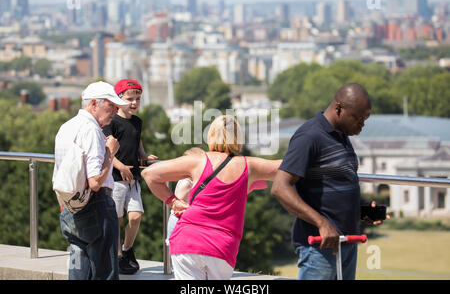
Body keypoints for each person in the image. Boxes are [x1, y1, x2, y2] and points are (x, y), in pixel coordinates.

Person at [271, 83, 388, 280]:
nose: (362, 124)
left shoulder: (343, 136)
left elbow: (333, 184)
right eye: (358, 118)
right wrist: (322, 223)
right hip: (319, 245)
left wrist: (363, 209)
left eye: (365, 119)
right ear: (338, 108)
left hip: (347, 242)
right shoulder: (309, 136)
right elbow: (280, 187)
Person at [141, 115, 281, 280]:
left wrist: (173, 202)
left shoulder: (197, 160)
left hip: (187, 241)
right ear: (238, 138)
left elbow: (149, 174)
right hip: (221, 247)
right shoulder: (249, 165)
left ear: (211, 135)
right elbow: (286, 168)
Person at [53, 81, 129, 280]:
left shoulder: (66, 127)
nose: (114, 111)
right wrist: (110, 154)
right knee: (104, 273)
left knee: (79, 272)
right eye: (110, 105)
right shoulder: (92, 130)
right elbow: (95, 181)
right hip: (96, 206)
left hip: (70, 207)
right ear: (94, 104)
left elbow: (59, 174)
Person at [102, 79, 157, 275]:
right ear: (119, 99)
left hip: (133, 178)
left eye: (137, 99)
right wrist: (120, 166)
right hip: (116, 178)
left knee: (135, 215)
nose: (134, 103)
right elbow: (108, 149)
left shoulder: (137, 122)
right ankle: (116, 255)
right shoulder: (112, 121)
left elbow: (137, 140)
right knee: (116, 218)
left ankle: (127, 249)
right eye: (130, 98)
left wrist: (143, 155)